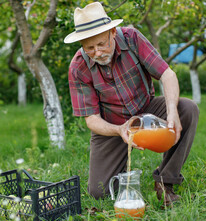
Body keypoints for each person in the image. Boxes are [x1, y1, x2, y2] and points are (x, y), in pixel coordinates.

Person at [64, 2, 199, 206]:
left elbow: (167, 74)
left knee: (187, 109)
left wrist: (171, 113)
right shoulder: (78, 68)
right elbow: (91, 119)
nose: (98, 52)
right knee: (99, 191)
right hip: (113, 124)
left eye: (101, 44)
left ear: (112, 32)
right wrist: (119, 129)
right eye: (89, 48)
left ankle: (166, 181)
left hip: (147, 109)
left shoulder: (132, 38)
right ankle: (120, 174)